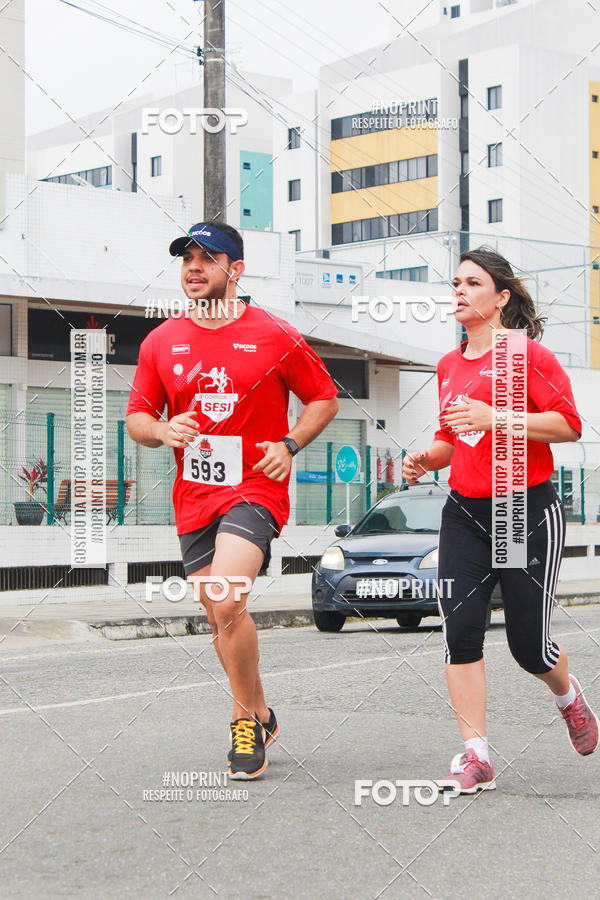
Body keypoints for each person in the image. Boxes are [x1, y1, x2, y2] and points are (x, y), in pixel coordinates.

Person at [127, 221, 338, 779]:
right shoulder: (161, 341)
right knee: (222, 616)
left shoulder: (273, 334)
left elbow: (324, 397)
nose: (193, 267)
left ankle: (243, 722)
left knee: (224, 599)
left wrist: (291, 444)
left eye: (207, 257)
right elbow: (137, 419)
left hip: (254, 489)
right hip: (194, 495)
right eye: (186, 258)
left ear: (235, 270)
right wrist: (162, 432)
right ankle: (263, 711)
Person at [402, 246, 598, 794]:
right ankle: (476, 756)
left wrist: (498, 417)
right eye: (455, 283)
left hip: (521, 509)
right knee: (460, 632)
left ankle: (568, 696)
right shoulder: (448, 364)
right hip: (464, 512)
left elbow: (568, 425)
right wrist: (427, 458)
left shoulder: (528, 355)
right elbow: (452, 438)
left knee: (527, 645)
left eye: (472, 283)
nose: (459, 291)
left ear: (501, 297)